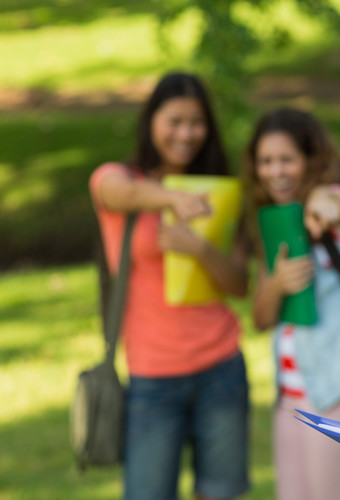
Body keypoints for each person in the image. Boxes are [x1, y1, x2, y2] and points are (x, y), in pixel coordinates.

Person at [89, 72, 250, 500]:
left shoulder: (217, 189)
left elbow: (239, 284)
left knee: (220, 493)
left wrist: (198, 247)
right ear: (151, 120)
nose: (186, 133)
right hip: (153, 376)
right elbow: (113, 191)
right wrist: (172, 199)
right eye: (174, 120)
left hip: (221, 367)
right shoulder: (121, 179)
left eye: (196, 122)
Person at [245, 107, 340, 500]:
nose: (276, 171)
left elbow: (338, 205)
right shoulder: (276, 222)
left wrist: (322, 206)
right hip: (290, 394)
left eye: (287, 159)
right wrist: (276, 284)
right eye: (266, 161)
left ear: (311, 159)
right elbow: (260, 318)